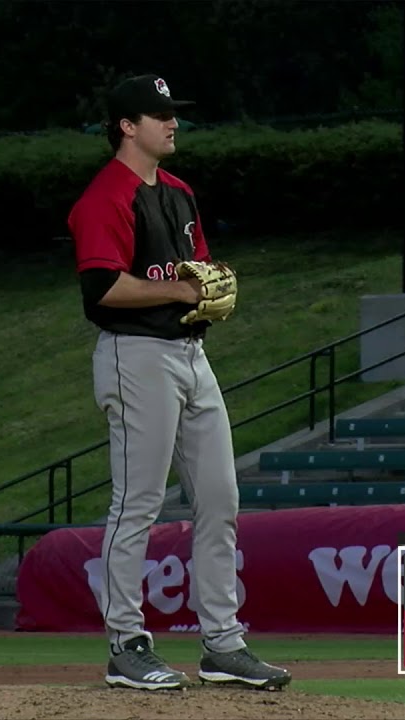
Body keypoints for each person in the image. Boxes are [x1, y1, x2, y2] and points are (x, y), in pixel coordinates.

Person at [65, 74, 291, 691]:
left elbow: (200, 270)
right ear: (126, 126)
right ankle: (126, 644)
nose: (172, 123)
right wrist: (184, 292)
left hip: (192, 354)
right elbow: (102, 288)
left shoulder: (180, 193)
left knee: (220, 498)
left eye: (173, 114)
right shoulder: (105, 197)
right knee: (137, 502)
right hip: (135, 355)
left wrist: (207, 288)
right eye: (159, 115)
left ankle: (222, 643)